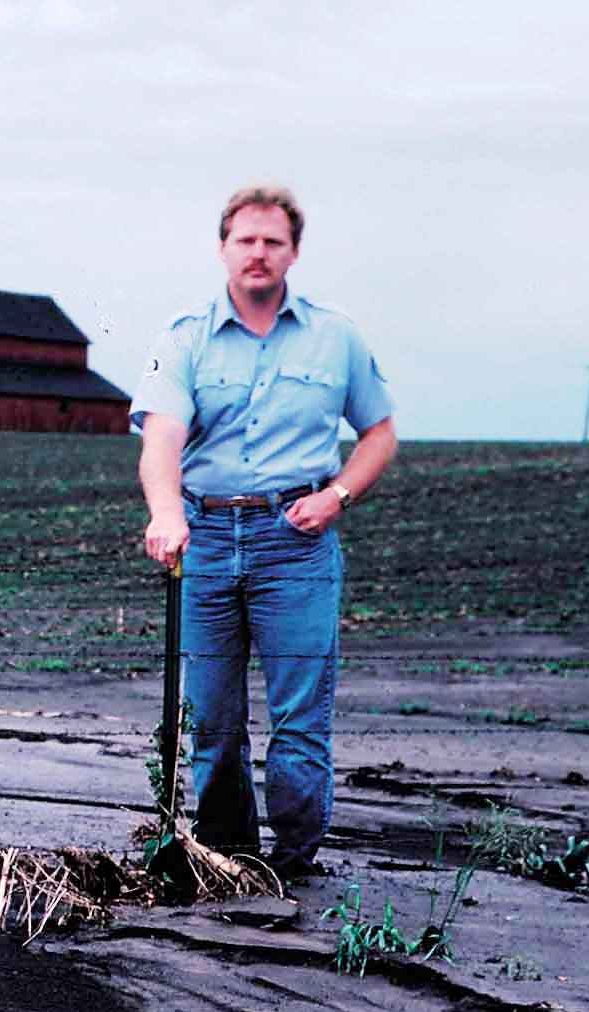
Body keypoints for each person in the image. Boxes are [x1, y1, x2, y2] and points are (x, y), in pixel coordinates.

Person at [132, 185, 397, 885]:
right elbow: (161, 439)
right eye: (245, 240)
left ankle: (295, 861)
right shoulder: (184, 335)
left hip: (296, 543)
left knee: (299, 722)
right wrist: (168, 512)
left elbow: (379, 432)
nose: (258, 252)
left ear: (293, 253)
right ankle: (228, 857)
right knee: (212, 721)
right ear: (223, 247)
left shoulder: (335, 335)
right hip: (208, 539)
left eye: (272, 241)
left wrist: (337, 495)